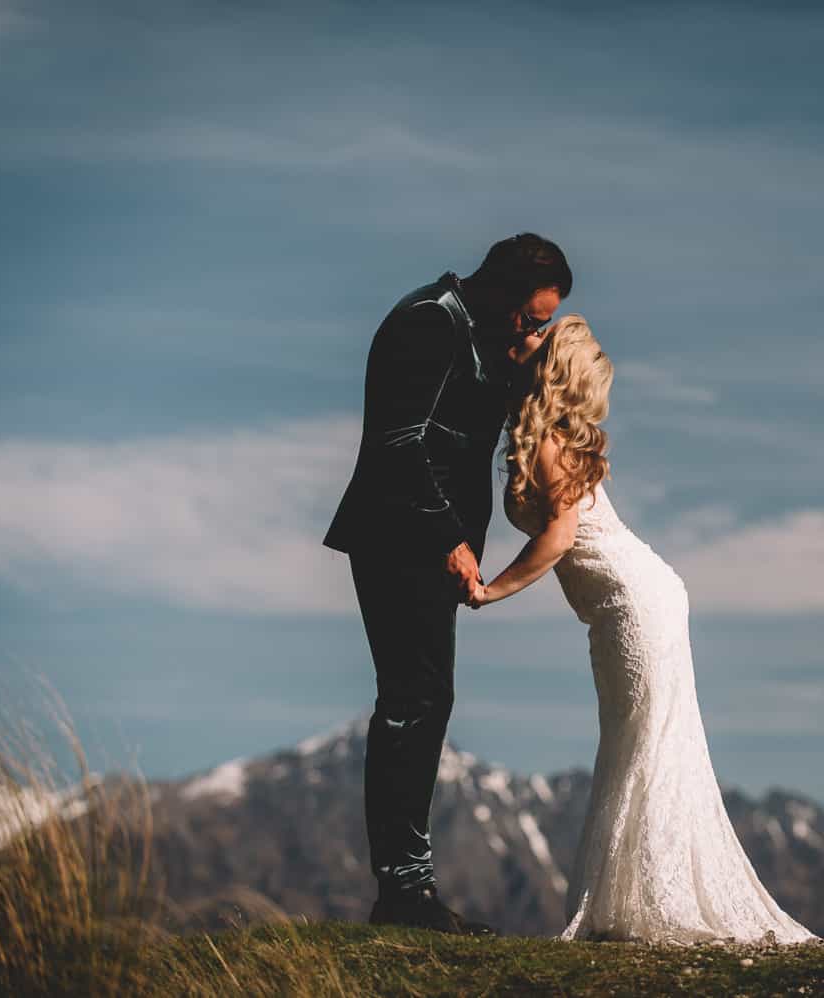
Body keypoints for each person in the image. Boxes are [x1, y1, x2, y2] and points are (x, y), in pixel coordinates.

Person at [468, 316, 816, 943]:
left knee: (647, 742)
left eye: (534, 340)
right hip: (629, 602)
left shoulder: (550, 441)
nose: (519, 339)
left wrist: (493, 589)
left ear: (549, 367)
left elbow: (559, 536)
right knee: (637, 740)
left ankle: (655, 903)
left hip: (634, 603)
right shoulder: (544, 434)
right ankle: (633, 899)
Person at [323, 233, 572, 934]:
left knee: (425, 698)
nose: (531, 330)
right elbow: (399, 442)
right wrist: (449, 539)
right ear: (498, 289)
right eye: (529, 317)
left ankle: (406, 890)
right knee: (412, 699)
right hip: (401, 538)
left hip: (430, 545)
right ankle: (403, 894)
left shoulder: (484, 334)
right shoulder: (430, 321)